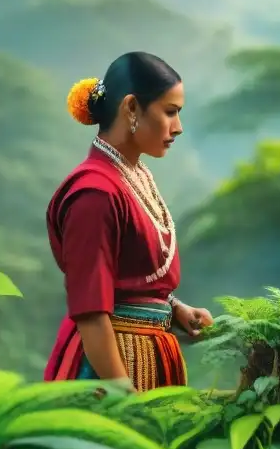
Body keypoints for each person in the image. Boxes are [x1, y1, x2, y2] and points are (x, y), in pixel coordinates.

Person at [43, 51, 214, 390]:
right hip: (106, 373)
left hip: (151, 357)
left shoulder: (133, 176)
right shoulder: (95, 193)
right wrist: (122, 393)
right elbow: (91, 311)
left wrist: (173, 308)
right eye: (170, 112)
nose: (178, 127)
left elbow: (130, 277)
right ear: (132, 108)